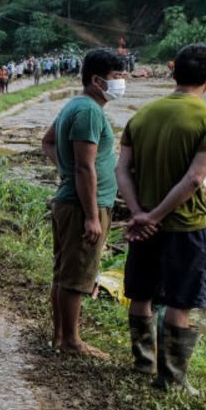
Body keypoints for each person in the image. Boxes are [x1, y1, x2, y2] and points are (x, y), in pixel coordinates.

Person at [117, 44, 206, 394]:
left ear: (172, 72)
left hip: (143, 227)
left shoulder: (143, 115)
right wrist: (157, 215)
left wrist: (139, 214)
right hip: (186, 226)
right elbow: (196, 179)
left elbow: (122, 169)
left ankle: (141, 364)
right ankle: (172, 379)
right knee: (180, 301)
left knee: (141, 295)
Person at [40, 49, 127, 359]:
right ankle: (71, 341)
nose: (122, 82)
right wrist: (92, 216)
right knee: (76, 276)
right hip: (82, 206)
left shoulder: (74, 105)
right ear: (96, 80)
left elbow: (48, 141)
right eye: (117, 77)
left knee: (64, 273)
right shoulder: (90, 111)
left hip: (72, 200)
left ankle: (60, 337)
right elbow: (84, 166)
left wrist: (63, 170)